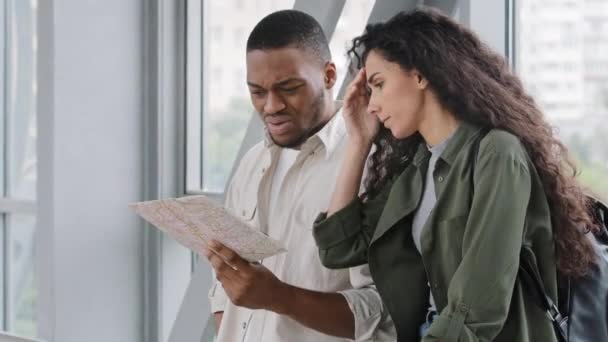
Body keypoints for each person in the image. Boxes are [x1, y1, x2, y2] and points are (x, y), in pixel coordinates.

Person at [313, 8, 599, 342]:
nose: (371, 104)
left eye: (378, 84)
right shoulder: (417, 167)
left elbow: (478, 305)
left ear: (420, 75)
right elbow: (339, 247)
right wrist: (358, 143)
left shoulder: (497, 154)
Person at [204, 10, 395, 342]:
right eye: (257, 92)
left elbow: (383, 315)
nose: (271, 106)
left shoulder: (371, 163)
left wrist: (279, 297)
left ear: (329, 75)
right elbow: (225, 291)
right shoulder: (252, 163)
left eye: (289, 88)